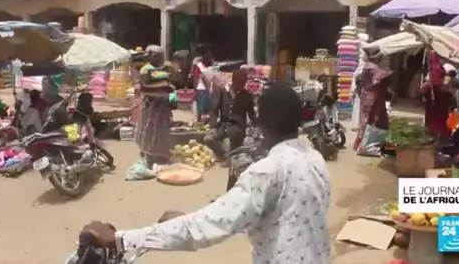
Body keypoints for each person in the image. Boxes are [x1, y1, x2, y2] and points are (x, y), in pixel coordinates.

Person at [80, 83, 331, 263]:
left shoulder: (267, 171)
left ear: (261, 123)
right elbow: (274, 215)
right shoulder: (315, 160)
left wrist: (120, 239)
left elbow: (203, 229)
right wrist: (187, 217)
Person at [204, 70, 256, 164]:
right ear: (234, 81)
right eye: (241, 82)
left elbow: (252, 115)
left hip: (238, 128)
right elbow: (214, 110)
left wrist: (259, 126)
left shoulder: (247, 96)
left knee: (230, 139)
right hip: (223, 125)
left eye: (244, 82)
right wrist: (213, 126)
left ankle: (228, 154)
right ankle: (226, 155)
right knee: (208, 139)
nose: (243, 85)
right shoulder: (223, 92)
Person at [134, 45, 174, 167]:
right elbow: (144, 86)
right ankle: (149, 155)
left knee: (161, 130)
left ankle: (160, 154)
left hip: (163, 105)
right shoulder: (146, 69)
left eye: (159, 56)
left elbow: (170, 82)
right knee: (150, 130)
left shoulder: (164, 68)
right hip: (151, 105)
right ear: (149, 56)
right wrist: (162, 87)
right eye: (155, 56)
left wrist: (171, 96)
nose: (157, 59)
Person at [353, 49, 392, 154]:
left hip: (371, 96)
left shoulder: (368, 65)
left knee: (374, 119)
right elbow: (383, 76)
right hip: (371, 97)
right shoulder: (371, 66)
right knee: (368, 119)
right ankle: (363, 144)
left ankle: (372, 142)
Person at [420, 51, 455, 140]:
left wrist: (428, 86)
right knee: (438, 121)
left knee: (436, 122)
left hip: (437, 100)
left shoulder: (436, 69)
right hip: (437, 100)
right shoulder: (437, 69)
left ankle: (438, 139)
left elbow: (435, 83)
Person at [192, 46, 214, 122]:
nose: (210, 60)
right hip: (201, 89)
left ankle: (206, 121)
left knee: (208, 107)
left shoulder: (211, 67)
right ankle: (199, 120)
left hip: (209, 89)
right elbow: (196, 78)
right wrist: (195, 90)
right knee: (201, 107)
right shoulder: (199, 66)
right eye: (209, 58)